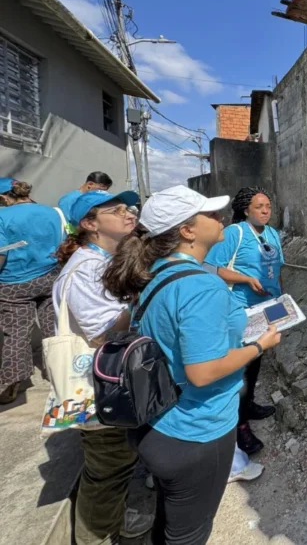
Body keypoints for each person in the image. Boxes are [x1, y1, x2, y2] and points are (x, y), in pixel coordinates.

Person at [103, 185, 281, 545]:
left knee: (170, 523)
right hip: (195, 431)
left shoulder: (156, 271)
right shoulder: (201, 286)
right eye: (211, 215)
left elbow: (119, 328)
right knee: (188, 535)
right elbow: (203, 371)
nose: (220, 220)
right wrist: (258, 345)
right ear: (187, 231)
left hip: (157, 423)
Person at [52, 189, 154, 543]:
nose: (128, 214)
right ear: (90, 224)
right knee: (108, 468)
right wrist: (148, 297)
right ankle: (93, 535)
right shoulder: (84, 269)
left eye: (128, 207)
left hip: (114, 380)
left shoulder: (104, 260)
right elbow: (101, 333)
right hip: (101, 388)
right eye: (116, 210)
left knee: (120, 461)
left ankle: (117, 519)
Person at [206, 187, 285, 455]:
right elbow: (210, 267)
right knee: (238, 366)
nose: (265, 211)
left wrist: (281, 299)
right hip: (240, 309)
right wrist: (246, 279)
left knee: (257, 358)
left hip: (268, 308)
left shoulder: (273, 234)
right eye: (259, 206)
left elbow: (277, 270)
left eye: (268, 206)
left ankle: (248, 404)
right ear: (245, 210)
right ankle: (239, 426)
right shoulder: (234, 233)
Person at [0, 178, 64, 405]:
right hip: (49, 276)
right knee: (52, 326)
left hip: (14, 282)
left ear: (4, 197)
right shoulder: (51, 213)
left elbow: (2, 253)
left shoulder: (2, 216)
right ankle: (56, 372)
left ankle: (12, 383)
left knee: (16, 333)